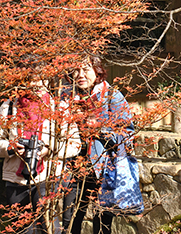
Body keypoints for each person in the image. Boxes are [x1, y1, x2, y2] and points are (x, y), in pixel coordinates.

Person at [0, 79, 80, 234]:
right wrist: (11, 148)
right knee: (22, 229)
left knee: (48, 228)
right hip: (15, 180)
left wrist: (50, 150)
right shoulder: (9, 106)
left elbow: (75, 145)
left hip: (48, 178)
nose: (35, 85)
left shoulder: (58, 107)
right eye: (29, 79)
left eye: (40, 79)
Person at [65, 55, 143, 234]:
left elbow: (127, 133)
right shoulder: (67, 97)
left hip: (104, 168)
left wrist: (100, 130)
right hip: (73, 168)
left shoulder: (111, 95)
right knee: (70, 220)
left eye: (85, 69)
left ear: (97, 70)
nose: (80, 75)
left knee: (102, 222)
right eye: (75, 70)